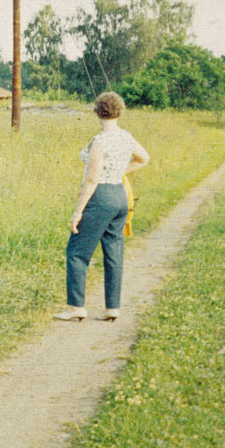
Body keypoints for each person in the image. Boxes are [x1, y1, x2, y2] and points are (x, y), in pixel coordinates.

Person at [54, 92, 150, 322]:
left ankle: (76, 306)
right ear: (120, 111)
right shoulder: (126, 137)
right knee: (114, 252)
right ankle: (112, 307)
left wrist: (78, 212)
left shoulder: (100, 141)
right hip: (119, 195)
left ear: (97, 111)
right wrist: (119, 171)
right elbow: (144, 158)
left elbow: (92, 179)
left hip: (100, 197)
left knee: (77, 251)